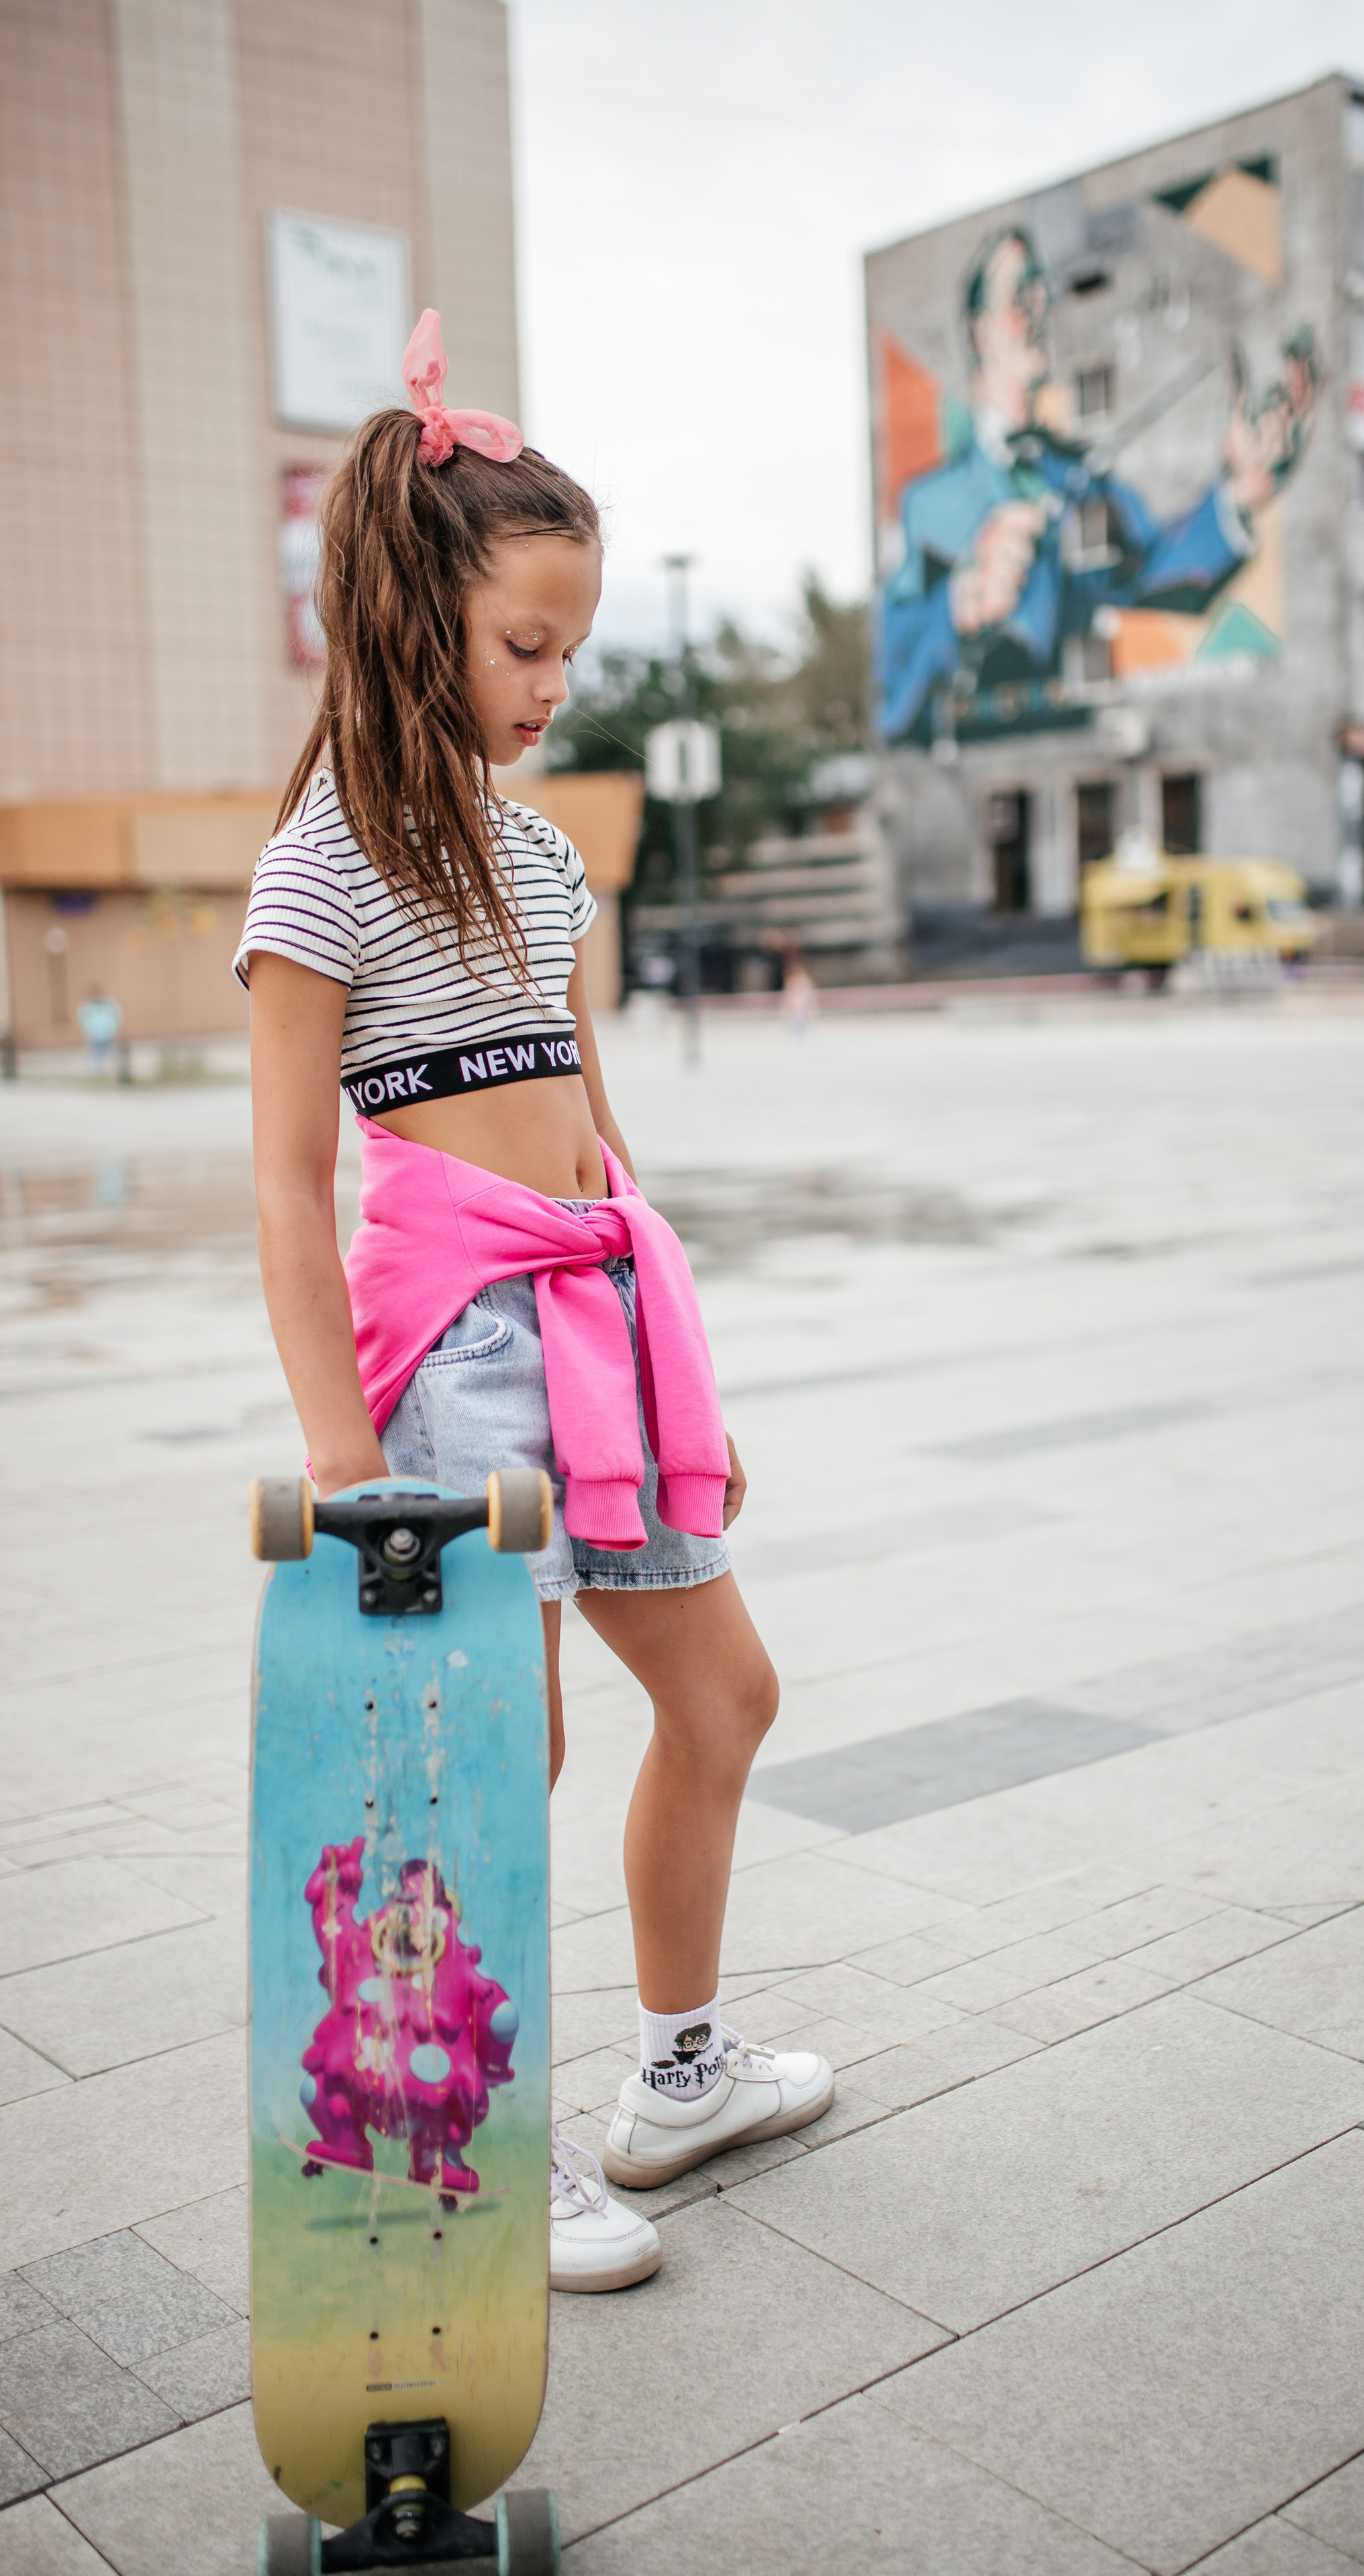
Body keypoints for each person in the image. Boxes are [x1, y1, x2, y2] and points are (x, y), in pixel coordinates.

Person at [235, 310, 832, 2298]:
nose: (557, 681)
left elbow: (592, 1123)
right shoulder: (321, 866)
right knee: (503, 1756)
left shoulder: (540, 857)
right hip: (456, 1362)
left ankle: (679, 2073)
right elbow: (288, 1182)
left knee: (725, 1696)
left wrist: (684, 1385)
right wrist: (342, 1457)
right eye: (525, 643)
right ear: (416, 621)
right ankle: (470, 2142)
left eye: (571, 646)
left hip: (602, 1332)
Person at [877, 226, 1321, 743]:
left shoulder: (1079, 477)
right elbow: (891, 663)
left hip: (1074, 734)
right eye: (1020, 296)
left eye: (1042, 293)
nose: (1039, 310)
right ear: (980, 332)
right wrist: (960, 606)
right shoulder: (925, 501)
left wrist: (1240, 492)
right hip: (977, 747)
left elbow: (1153, 572)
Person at [77, 987, 123, 1072]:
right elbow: (82, 1020)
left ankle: (111, 1070)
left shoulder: (109, 1004)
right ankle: (95, 1070)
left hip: (108, 1033)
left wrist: (114, 1030)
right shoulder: (87, 1006)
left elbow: (117, 1017)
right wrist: (87, 1031)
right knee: (95, 1054)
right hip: (94, 1034)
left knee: (111, 1053)